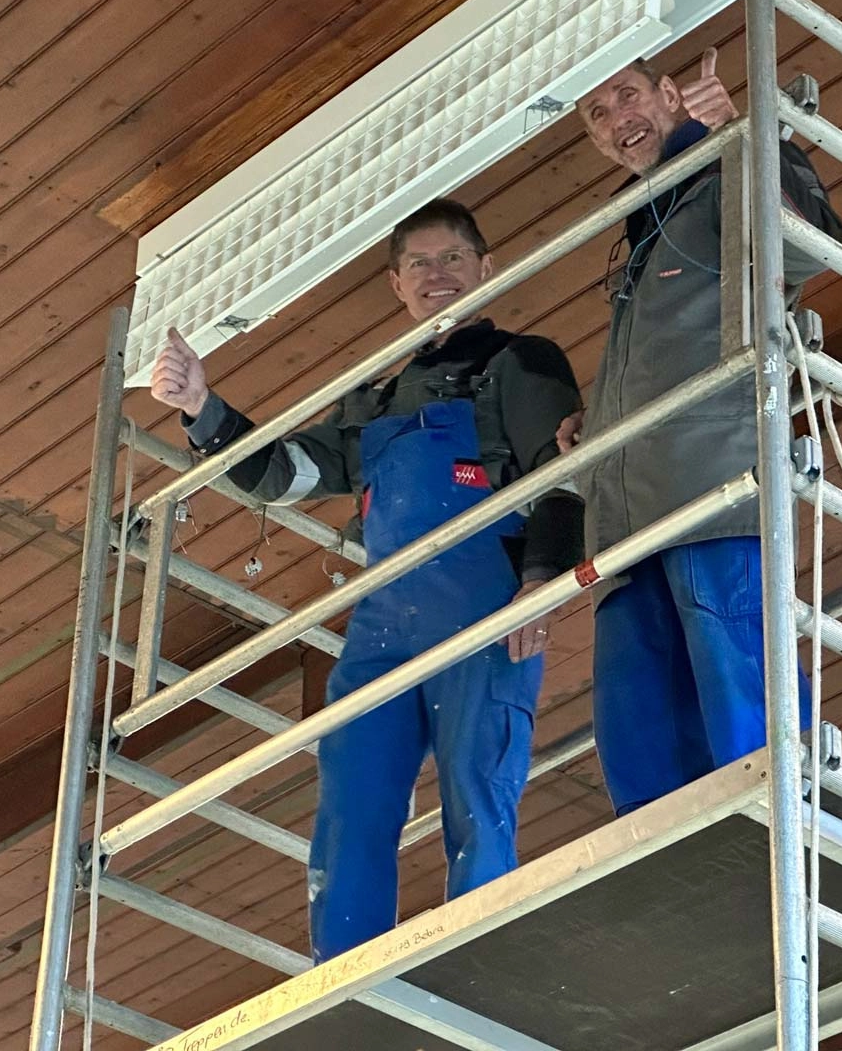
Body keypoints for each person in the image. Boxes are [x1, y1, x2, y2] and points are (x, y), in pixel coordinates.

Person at [150, 198, 584, 960]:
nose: (437, 274)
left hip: (483, 608)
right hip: (381, 625)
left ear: (486, 267)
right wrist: (200, 408)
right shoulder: (374, 399)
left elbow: (565, 471)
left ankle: (478, 960)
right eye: (419, 264)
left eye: (453, 258)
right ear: (396, 284)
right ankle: (341, 978)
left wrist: (543, 580)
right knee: (352, 797)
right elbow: (284, 473)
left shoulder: (520, 362)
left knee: (477, 793)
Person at [562, 50, 842, 817]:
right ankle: (676, 868)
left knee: (741, 699)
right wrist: (596, 426)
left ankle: (788, 835)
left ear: (669, 94)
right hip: (625, 528)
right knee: (642, 733)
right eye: (596, 114)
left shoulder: (729, 170)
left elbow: (805, 250)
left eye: (626, 94)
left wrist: (745, 140)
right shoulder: (643, 227)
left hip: (711, 492)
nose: (616, 119)